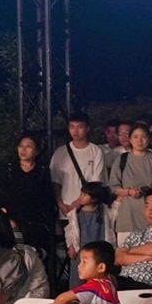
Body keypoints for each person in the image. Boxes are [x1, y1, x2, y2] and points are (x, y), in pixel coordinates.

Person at [50, 112, 112, 273]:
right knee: (73, 251)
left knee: (92, 251)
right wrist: (61, 203)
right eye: (72, 127)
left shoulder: (95, 151)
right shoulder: (60, 152)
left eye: (79, 127)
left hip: (88, 210)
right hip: (66, 210)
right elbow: (55, 181)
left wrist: (78, 203)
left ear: (87, 128)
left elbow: (96, 182)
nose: (75, 131)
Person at [108, 123, 152, 238]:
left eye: (143, 137)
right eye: (135, 137)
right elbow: (113, 187)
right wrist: (128, 191)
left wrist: (149, 191)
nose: (139, 141)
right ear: (130, 139)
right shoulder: (122, 160)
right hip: (127, 215)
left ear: (149, 139)